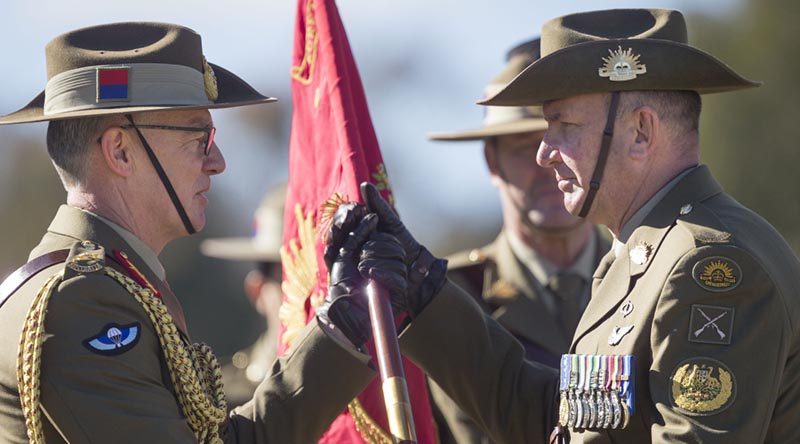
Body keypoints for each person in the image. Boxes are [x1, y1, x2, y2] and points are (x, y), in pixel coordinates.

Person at [329, 8, 800, 443]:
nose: (544, 151)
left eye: (564, 126)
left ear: (640, 132)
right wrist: (426, 294)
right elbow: (559, 424)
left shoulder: (709, 267)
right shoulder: (644, 256)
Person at [0, 23, 379, 443]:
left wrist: (341, 326)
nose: (217, 162)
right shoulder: (82, 301)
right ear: (120, 152)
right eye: (199, 137)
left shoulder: (113, 286)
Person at [426, 38, 609, 444]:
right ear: (492, 161)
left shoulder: (647, 276)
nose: (550, 163)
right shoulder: (451, 296)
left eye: (568, 140)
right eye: (528, 148)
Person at [200, 184, 286, 408]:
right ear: (257, 291)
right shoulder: (216, 402)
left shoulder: (371, 391)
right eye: (291, 282)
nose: (313, 300)